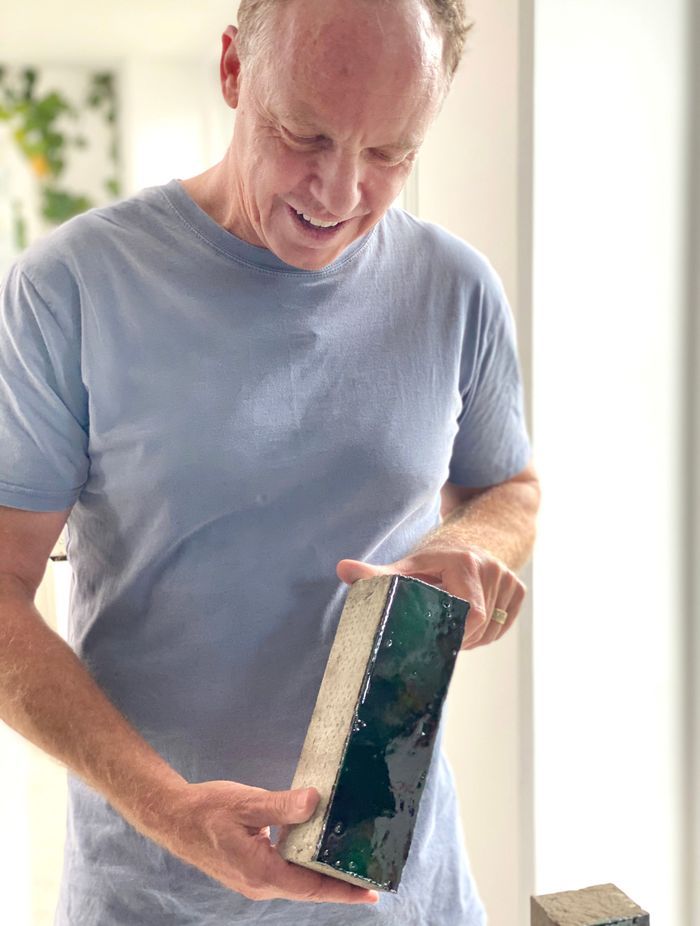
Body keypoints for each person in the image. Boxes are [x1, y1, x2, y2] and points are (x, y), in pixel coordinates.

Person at [0, 0, 540, 923]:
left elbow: (507, 486)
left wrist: (482, 543)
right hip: (156, 895)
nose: (337, 193)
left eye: (389, 155)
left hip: (407, 894)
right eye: (304, 134)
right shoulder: (71, 288)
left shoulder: (457, 289)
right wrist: (169, 811)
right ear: (233, 71)